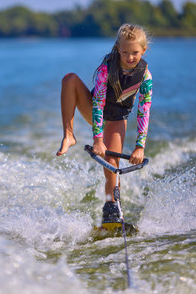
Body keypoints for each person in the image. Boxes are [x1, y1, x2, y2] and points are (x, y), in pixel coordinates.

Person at [56, 24, 153, 224]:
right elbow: (98, 104)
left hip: (117, 120)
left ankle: (113, 211)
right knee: (69, 79)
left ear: (143, 50)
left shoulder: (145, 76)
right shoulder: (105, 70)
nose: (130, 57)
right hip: (95, 111)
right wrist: (97, 139)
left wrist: (139, 146)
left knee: (112, 169)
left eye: (135, 52)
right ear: (118, 49)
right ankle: (69, 135)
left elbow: (144, 110)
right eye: (125, 52)